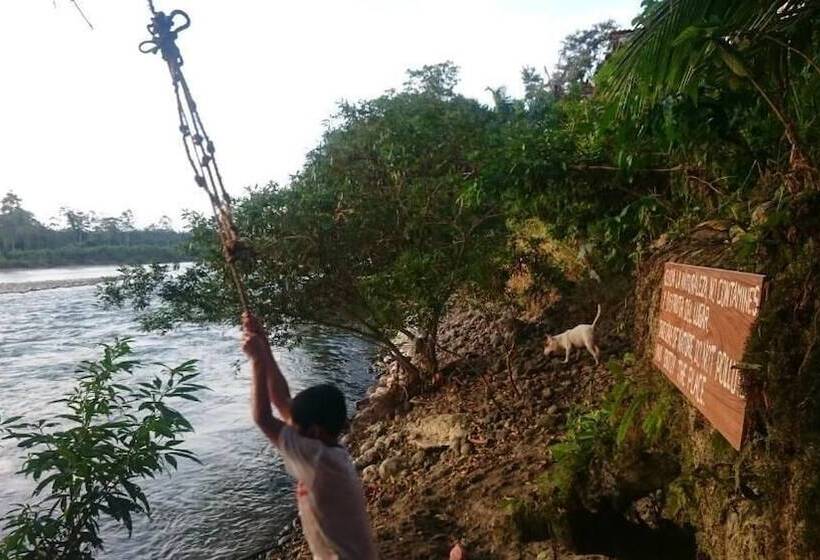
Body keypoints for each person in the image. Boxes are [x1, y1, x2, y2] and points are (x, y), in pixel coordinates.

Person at [241, 312, 378, 560]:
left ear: (314, 431)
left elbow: (262, 417)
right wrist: (264, 344)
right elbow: (281, 400)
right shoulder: (327, 451)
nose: (288, 424)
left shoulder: (317, 460)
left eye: (293, 424)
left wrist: (258, 361)